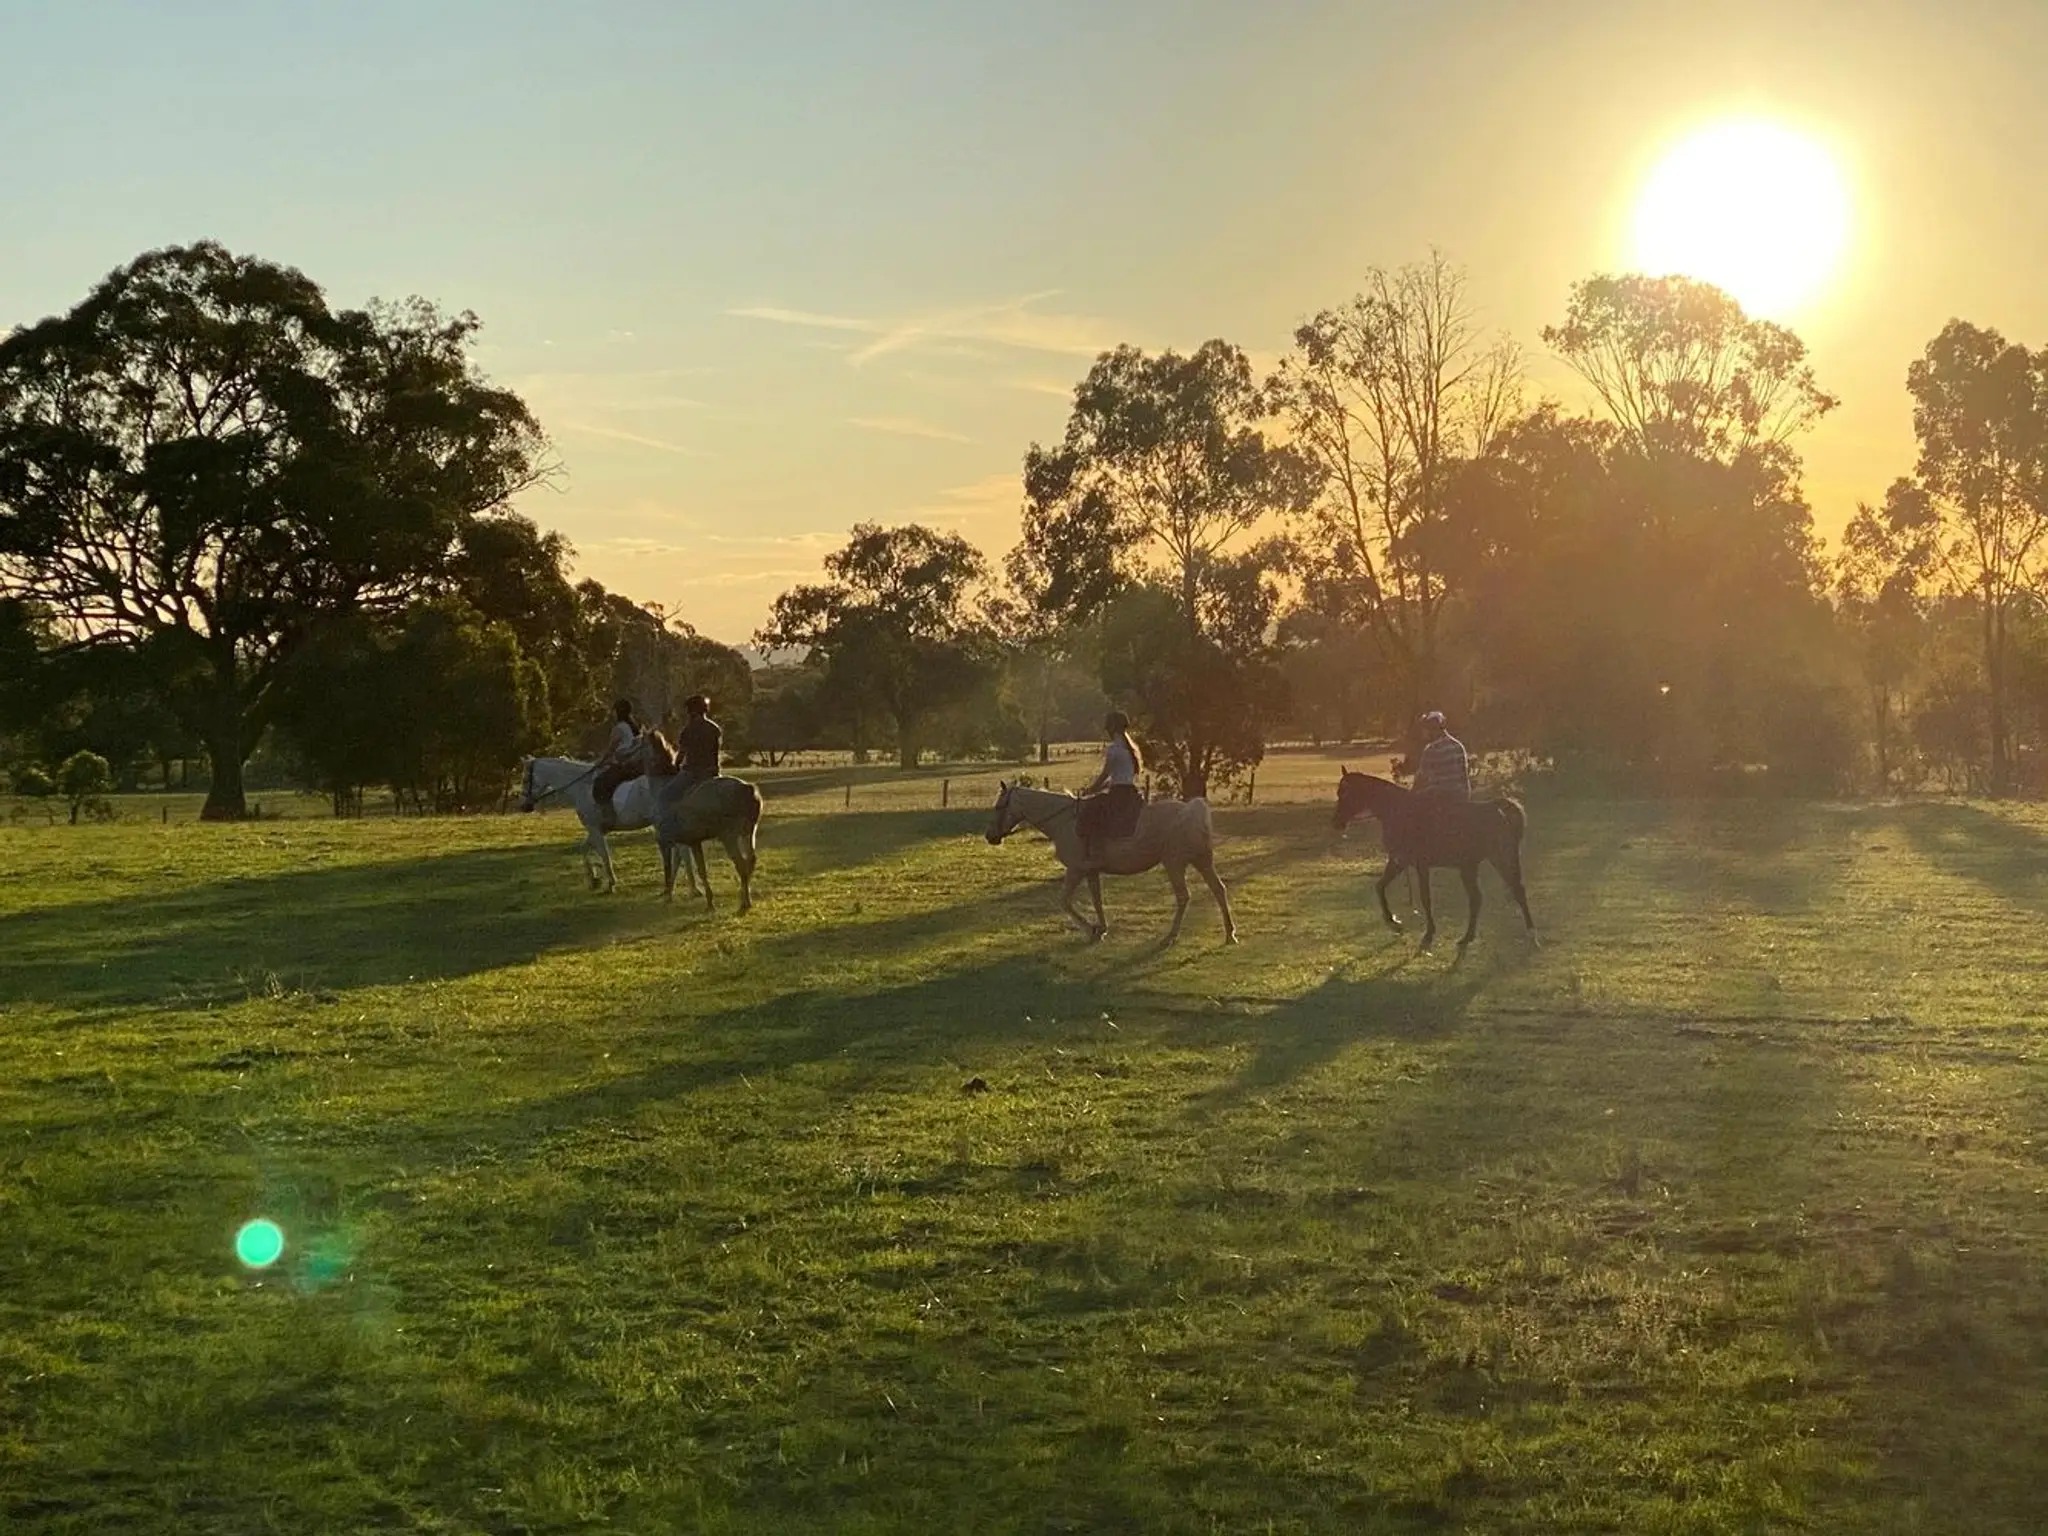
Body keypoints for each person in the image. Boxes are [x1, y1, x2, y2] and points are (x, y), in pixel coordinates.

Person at [1076, 710, 1144, 861]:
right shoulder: (1132, 749)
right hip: (1131, 792)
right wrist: (1099, 787)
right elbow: (1118, 776)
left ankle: (1095, 853)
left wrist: (1091, 789)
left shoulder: (1114, 749)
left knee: (1091, 810)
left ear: (1112, 729)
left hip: (1118, 793)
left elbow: (1105, 774)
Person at [591, 699, 641, 824]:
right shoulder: (634, 726)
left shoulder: (619, 728)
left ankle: (609, 815)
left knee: (601, 783)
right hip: (633, 762)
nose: (612, 714)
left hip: (623, 763)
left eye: (613, 711)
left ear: (618, 712)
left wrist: (599, 762)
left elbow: (610, 750)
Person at [669, 693, 722, 800]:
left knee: (666, 795)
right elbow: (716, 752)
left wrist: (674, 766)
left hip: (693, 772)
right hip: (712, 772)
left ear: (691, 711)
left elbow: (682, 754)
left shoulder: (688, 730)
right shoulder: (714, 729)